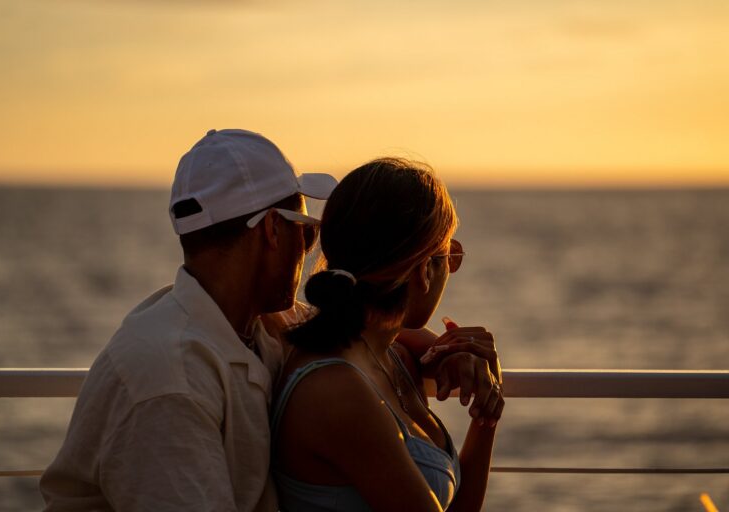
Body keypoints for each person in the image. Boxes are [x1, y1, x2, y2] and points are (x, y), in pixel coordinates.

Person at [40, 129, 500, 512]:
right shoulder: (169, 381)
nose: (313, 244)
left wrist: (443, 352)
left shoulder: (257, 326)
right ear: (270, 231)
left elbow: (365, 327)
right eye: (305, 227)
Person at [272, 158, 504, 512]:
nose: (450, 269)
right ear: (425, 269)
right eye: (449, 255)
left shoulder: (389, 354)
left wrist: (486, 411)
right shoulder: (338, 390)